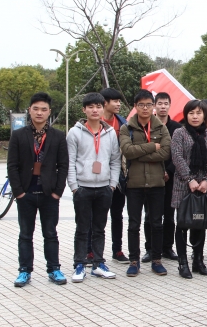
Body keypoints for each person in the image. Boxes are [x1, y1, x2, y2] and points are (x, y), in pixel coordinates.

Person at [8, 92, 69, 287]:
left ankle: (54, 269)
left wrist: (57, 192)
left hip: (48, 194)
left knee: (50, 233)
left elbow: (63, 165)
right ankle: (24, 271)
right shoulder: (19, 135)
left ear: (49, 112)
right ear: (30, 110)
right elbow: (12, 166)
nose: (39, 113)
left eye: (44, 109)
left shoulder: (58, 136)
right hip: (26, 192)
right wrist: (18, 192)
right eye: (36, 109)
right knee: (25, 234)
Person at [67, 93, 121, 282]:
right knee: (82, 228)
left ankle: (98, 264)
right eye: (90, 107)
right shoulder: (75, 133)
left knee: (99, 228)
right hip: (83, 188)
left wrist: (112, 184)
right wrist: (74, 186)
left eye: (98, 106)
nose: (95, 110)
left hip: (104, 188)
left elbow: (115, 160)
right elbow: (70, 161)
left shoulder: (110, 132)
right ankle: (79, 264)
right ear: (84, 110)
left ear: (103, 108)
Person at [119, 89, 171, 277]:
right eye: (141, 105)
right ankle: (134, 261)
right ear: (135, 106)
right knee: (134, 225)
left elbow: (166, 152)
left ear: (153, 106)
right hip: (134, 184)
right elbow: (127, 151)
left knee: (157, 223)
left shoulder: (161, 128)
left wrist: (139, 153)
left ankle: (157, 260)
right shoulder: (127, 128)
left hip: (157, 183)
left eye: (149, 104)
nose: (145, 108)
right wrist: (152, 147)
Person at [171, 99, 207, 279]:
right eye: (191, 113)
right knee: (183, 223)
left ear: (205, 115)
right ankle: (183, 262)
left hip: (205, 186)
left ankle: (198, 260)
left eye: (199, 113)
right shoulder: (179, 133)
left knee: (200, 223)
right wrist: (189, 179)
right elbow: (177, 157)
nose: (195, 116)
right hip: (183, 185)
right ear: (186, 115)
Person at [142, 92, 183, 262]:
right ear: (154, 106)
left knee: (169, 215)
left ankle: (167, 248)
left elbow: (180, 153)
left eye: (166, 103)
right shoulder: (147, 126)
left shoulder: (177, 128)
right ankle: (150, 248)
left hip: (170, 178)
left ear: (170, 105)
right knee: (150, 215)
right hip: (151, 177)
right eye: (159, 103)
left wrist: (169, 171)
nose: (163, 107)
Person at [99, 88, 129, 264]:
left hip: (119, 176)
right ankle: (91, 252)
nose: (119, 104)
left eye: (119, 101)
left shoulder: (123, 123)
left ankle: (117, 250)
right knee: (97, 216)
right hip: (98, 177)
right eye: (115, 101)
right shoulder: (94, 123)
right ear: (105, 103)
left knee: (117, 215)